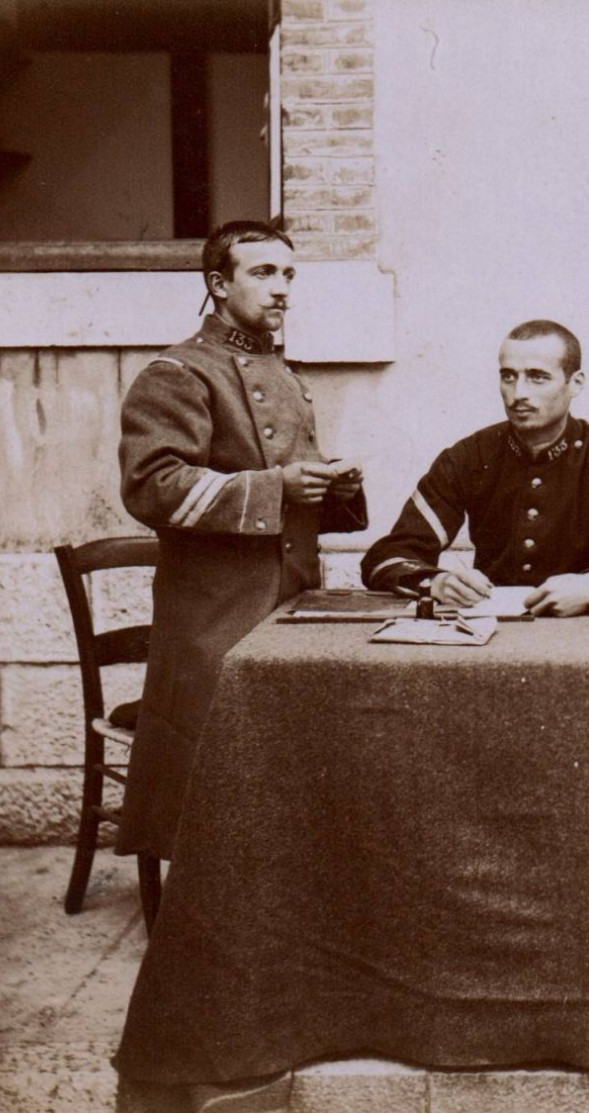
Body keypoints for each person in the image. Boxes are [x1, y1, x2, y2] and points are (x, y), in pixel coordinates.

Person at [116, 220, 367, 860]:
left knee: (291, 774)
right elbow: (152, 485)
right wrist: (277, 487)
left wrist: (329, 486)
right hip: (215, 618)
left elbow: (283, 488)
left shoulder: (285, 375)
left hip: (290, 603)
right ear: (218, 284)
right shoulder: (176, 373)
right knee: (210, 795)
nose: (282, 289)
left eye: (288, 275)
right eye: (263, 273)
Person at [360, 320, 589, 615]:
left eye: (537, 377)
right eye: (508, 376)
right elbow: (387, 556)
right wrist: (435, 582)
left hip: (583, 630)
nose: (519, 393)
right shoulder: (469, 456)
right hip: (494, 630)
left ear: (575, 383)